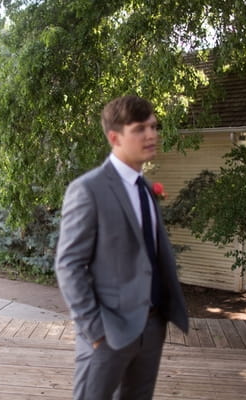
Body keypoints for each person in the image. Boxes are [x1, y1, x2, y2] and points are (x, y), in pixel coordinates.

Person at [54, 95, 189, 400]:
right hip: (108, 331)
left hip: (152, 327)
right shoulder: (88, 189)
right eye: (140, 128)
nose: (151, 135)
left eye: (154, 126)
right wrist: (95, 331)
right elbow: (69, 265)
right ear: (114, 137)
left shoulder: (146, 188)